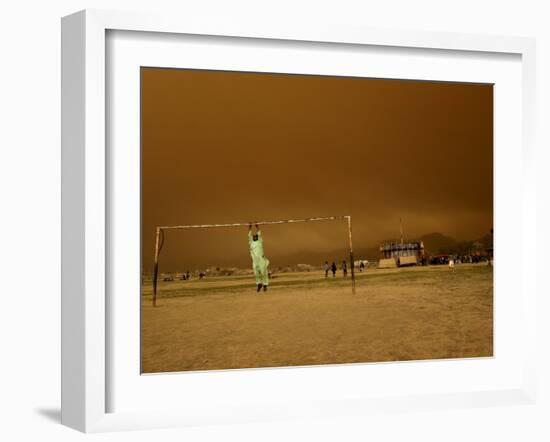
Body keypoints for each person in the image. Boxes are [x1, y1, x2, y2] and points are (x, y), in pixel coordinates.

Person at [248, 223, 270, 292]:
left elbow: (259, 234)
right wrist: (250, 228)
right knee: (256, 272)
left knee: (264, 272)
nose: (255, 237)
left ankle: (265, 285)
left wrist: (257, 227)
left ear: (257, 238)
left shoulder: (260, 242)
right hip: (255, 260)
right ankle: (259, 284)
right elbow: (249, 236)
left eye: (256, 236)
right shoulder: (251, 243)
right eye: (254, 237)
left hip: (261, 259)